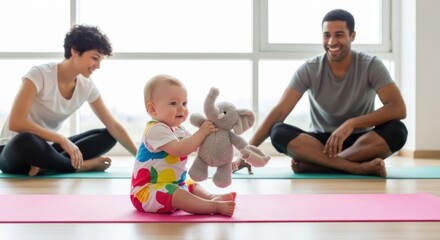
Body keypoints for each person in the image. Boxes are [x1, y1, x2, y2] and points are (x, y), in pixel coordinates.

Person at [235, 9, 407, 177]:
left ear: (352, 36)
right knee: (278, 131)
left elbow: (398, 108)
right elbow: (279, 112)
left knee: (398, 130)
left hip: (360, 141)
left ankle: (318, 165)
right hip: (319, 144)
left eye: (339, 34)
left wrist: (352, 123)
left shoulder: (371, 65)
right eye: (327, 35)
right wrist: (247, 152)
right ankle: (354, 168)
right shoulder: (310, 68)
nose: (332, 41)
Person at [0, 25, 137, 176]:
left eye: (101, 60)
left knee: (109, 135)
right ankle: (81, 166)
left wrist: (140, 159)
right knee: (26, 139)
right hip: (14, 150)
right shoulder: (40, 74)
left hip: (47, 149)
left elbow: (114, 126)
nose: (98, 66)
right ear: (75, 51)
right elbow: (16, 122)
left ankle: (48, 166)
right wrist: (61, 139)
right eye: (94, 58)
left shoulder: (86, 86)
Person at [130, 74, 236, 216]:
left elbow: (198, 148)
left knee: (191, 184)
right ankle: (213, 206)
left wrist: (223, 161)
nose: (181, 109)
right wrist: (202, 132)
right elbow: (179, 149)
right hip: (147, 192)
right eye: (174, 103)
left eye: (184, 104)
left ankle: (211, 197)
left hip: (174, 184)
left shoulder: (179, 129)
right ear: (152, 109)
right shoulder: (155, 129)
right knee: (179, 193)